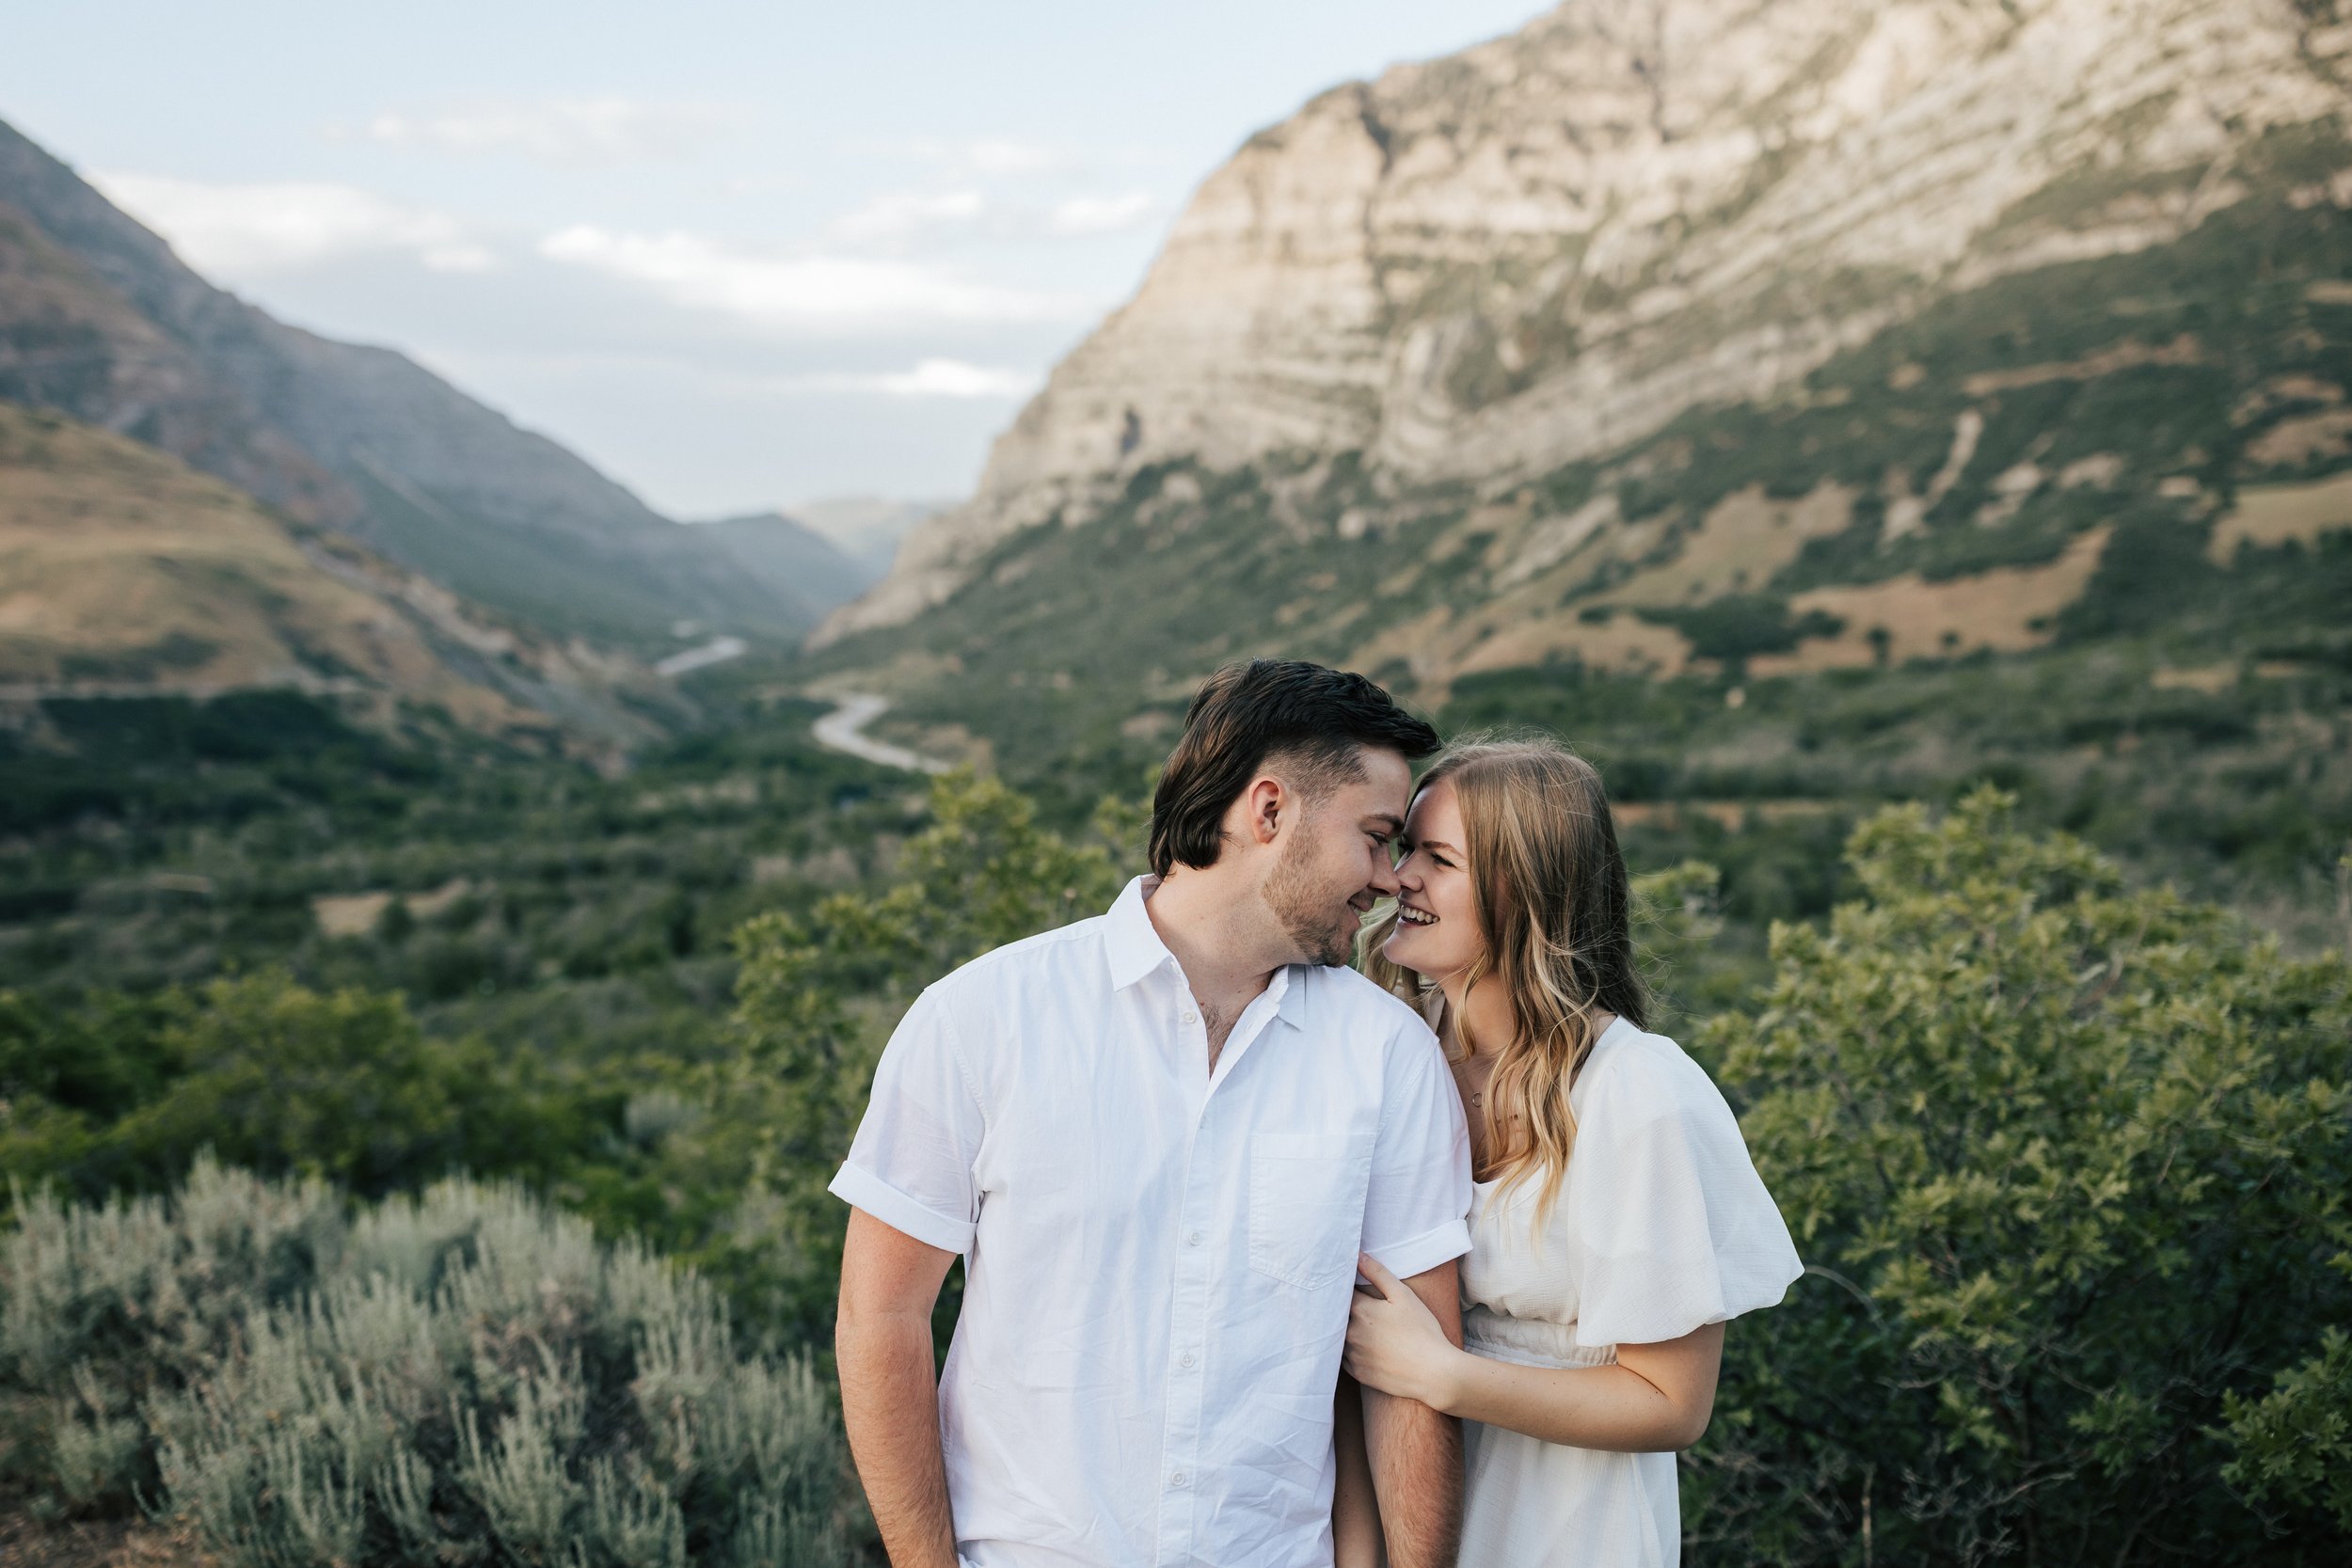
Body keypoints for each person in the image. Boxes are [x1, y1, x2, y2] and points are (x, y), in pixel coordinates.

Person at [831, 659, 1475, 1568]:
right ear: (1268, 810)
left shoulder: (1388, 1056)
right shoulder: (981, 1017)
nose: (1387, 877)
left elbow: (1412, 1378)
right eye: (1375, 836)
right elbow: (879, 1319)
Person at [1337, 736, 1802, 1568]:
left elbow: (1671, 1403)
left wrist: (1443, 1375)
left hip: (1569, 1524)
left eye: (1438, 859)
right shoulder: (1395, 1055)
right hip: (1405, 1504)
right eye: (1406, 849)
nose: (1398, 877)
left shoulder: (1635, 1092)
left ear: (1528, 892)